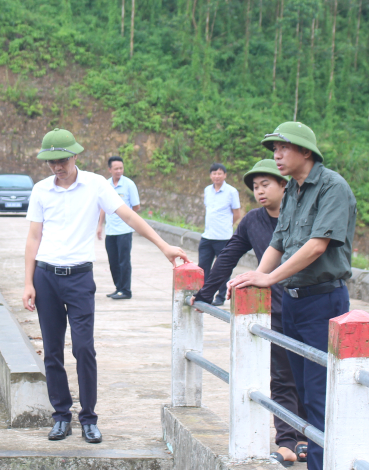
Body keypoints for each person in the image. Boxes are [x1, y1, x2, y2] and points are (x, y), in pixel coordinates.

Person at [23, 129, 189, 444]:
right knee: (53, 351)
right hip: (45, 277)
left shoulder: (96, 185)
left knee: (84, 348)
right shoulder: (41, 190)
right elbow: (34, 237)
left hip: (80, 278)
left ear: (74, 156)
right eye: (51, 162)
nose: (57, 167)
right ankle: (61, 416)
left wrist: (164, 246)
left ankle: (88, 418)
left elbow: (128, 215)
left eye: (62, 160)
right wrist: (28, 282)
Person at [228, 122, 357, 470]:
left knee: (319, 394)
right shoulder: (295, 191)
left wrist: (270, 279)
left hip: (323, 299)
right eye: (274, 150)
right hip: (296, 302)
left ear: (305, 152)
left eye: (283, 148)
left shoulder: (332, 187)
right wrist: (257, 273)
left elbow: (317, 246)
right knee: (301, 389)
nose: (277, 156)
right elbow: (280, 241)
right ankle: (315, 467)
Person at [192, 159, 308, 468]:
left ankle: (308, 437)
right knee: (282, 377)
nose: (259, 191)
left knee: (309, 377)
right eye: (255, 186)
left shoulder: (302, 217)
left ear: (285, 185)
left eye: (266, 184)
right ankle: (287, 441)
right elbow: (228, 257)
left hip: (307, 307)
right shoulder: (252, 222)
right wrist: (204, 295)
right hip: (275, 311)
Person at [96, 156, 141, 300]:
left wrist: (129, 220)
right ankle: (118, 288)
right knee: (113, 261)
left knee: (124, 261)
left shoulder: (129, 184)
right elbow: (103, 207)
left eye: (121, 168)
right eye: (116, 168)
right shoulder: (106, 185)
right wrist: (99, 225)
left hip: (124, 230)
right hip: (111, 230)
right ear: (110, 169)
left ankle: (126, 290)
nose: (119, 171)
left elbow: (136, 206)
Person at [200, 163, 242, 306]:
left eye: (219, 173)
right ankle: (204, 294)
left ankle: (220, 296)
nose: (216, 176)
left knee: (222, 268)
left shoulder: (231, 192)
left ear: (225, 175)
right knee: (203, 267)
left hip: (223, 237)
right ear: (210, 175)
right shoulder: (207, 190)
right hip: (207, 235)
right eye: (214, 173)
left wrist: (227, 226)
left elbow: (237, 213)